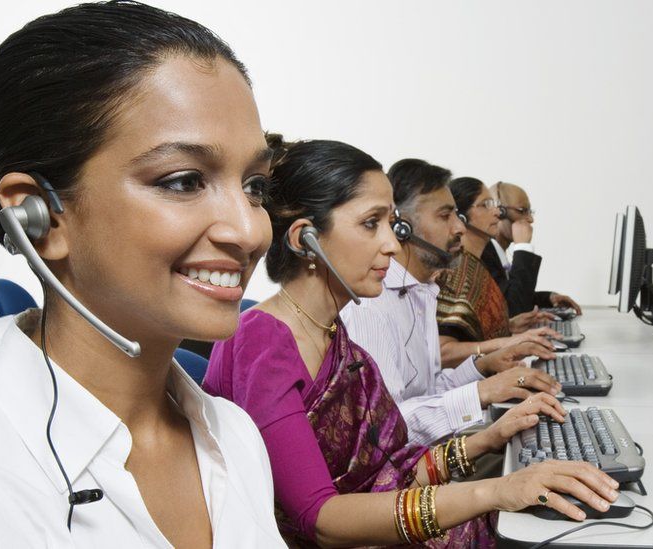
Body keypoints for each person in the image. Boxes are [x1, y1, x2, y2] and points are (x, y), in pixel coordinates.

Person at [205, 138, 622, 547]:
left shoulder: (332, 335)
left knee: (565, 525)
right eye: (372, 223)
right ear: (305, 240)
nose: (391, 243)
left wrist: (490, 439)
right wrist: (496, 490)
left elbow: (390, 472)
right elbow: (322, 520)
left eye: (391, 223)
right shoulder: (261, 342)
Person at [0, 2, 285, 546]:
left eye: (255, 186)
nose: (251, 231)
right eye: (184, 181)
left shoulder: (234, 436)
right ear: (38, 217)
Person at [341, 163, 563, 447]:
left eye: (457, 214)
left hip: (435, 453)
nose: (460, 227)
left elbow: (430, 391)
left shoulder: (420, 292)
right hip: (407, 474)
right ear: (401, 227)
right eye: (445, 216)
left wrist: (483, 366)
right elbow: (387, 427)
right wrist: (481, 392)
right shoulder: (371, 307)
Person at [437, 177, 558, 352]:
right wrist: (506, 342)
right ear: (460, 217)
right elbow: (443, 353)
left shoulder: (476, 265)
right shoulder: (454, 271)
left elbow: (473, 330)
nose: (497, 212)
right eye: (486, 204)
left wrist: (507, 327)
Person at [482, 180, 582, 316]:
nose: (530, 219)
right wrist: (523, 248)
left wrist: (548, 298)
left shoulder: (496, 252)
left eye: (530, 211)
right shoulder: (484, 255)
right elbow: (514, 309)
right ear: (500, 212)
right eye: (522, 211)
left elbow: (509, 294)